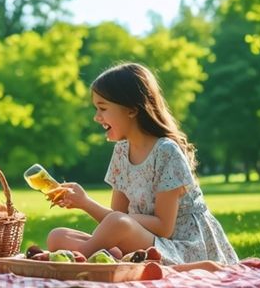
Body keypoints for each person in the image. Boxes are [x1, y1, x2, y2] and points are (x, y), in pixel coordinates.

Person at [46, 62, 239, 273]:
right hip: (146, 240)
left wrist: (120, 222)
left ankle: (82, 263)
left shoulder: (166, 152)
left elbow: (164, 227)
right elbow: (116, 217)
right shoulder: (121, 151)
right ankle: (107, 259)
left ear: (131, 110)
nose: (96, 117)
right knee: (57, 236)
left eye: (103, 108)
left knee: (118, 224)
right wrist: (84, 203)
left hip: (182, 246)